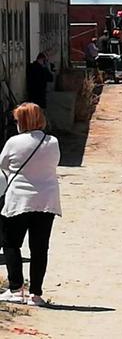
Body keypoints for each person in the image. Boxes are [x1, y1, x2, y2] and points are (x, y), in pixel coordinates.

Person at [0, 103, 61, 306]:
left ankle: (16, 289)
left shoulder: (13, 142)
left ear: (22, 122)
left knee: (11, 243)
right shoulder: (52, 142)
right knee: (40, 248)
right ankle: (36, 294)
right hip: (46, 201)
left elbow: (3, 165)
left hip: (19, 200)